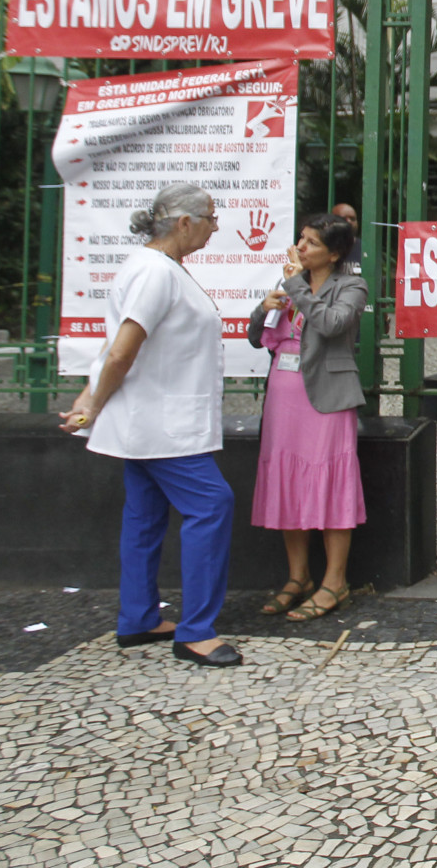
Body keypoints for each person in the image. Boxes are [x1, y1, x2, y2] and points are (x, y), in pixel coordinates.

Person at [60, 184, 240, 668]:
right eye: (210, 218)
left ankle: (138, 618)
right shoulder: (156, 272)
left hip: (151, 423)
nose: (215, 227)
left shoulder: (157, 268)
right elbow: (122, 350)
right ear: (183, 223)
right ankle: (196, 632)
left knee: (145, 516)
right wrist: (94, 403)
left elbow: (115, 345)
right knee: (212, 504)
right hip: (164, 426)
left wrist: (87, 397)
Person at [248, 213, 369, 622]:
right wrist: (262, 309)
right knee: (289, 482)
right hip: (284, 398)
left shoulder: (350, 286)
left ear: (333, 254)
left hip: (327, 396)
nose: (300, 247)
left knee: (330, 484)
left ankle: (335, 582)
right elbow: (256, 337)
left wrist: (296, 289)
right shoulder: (290, 284)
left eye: (311, 242)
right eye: (301, 238)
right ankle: (297, 577)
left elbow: (333, 324)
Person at [330, 202, 363, 269]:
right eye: (344, 219)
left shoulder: (365, 248)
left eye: (352, 219)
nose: (349, 222)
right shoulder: (323, 246)